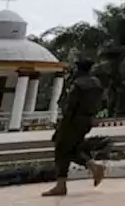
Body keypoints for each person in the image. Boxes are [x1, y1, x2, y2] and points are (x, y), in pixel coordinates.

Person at [43, 57, 106, 196]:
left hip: (74, 120)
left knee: (61, 148)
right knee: (71, 149)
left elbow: (71, 106)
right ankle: (91, 166)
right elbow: (100, 102)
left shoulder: (78, 84)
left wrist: (62, 124)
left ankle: (63, 184)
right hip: (87, 119)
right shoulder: (97, 83)